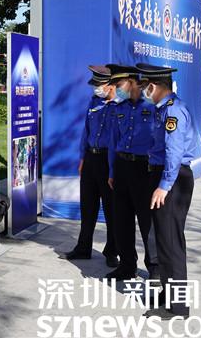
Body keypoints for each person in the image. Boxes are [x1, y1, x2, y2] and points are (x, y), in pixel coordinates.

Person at [137, 63, 197, 320]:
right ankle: (168, 293)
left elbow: (174, 153)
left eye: (145, 86)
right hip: (164, 176)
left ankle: (178, 307)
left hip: (173, 179)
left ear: (154, 86)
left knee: (171, 242)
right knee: (163, 238)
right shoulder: (162, 109)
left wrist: (164, 186)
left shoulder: (173, 111)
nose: (143, 90)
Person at [106, 64, 159, 281]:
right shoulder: (119, 108)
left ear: (132, 82)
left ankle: (155, 268)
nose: (116, 89)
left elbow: (161, 141)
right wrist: (112, 171)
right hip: (122, 167)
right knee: (122, 219)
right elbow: (113, 141)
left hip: (144, 169)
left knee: (147, 221)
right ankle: (127, 265)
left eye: (119, 84)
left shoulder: (153, 107)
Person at [62, 65, 118, 267]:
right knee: (88, 206)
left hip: (108, 161)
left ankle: (112, 251)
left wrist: (113, 169)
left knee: (111, 209)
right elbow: (86, 131)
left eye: (100, 85)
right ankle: (83, 247)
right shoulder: (94, 101)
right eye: (95, 85)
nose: (96, 88)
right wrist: (82, 158)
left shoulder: (120, 106)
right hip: (90, 158)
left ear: (111, 85)